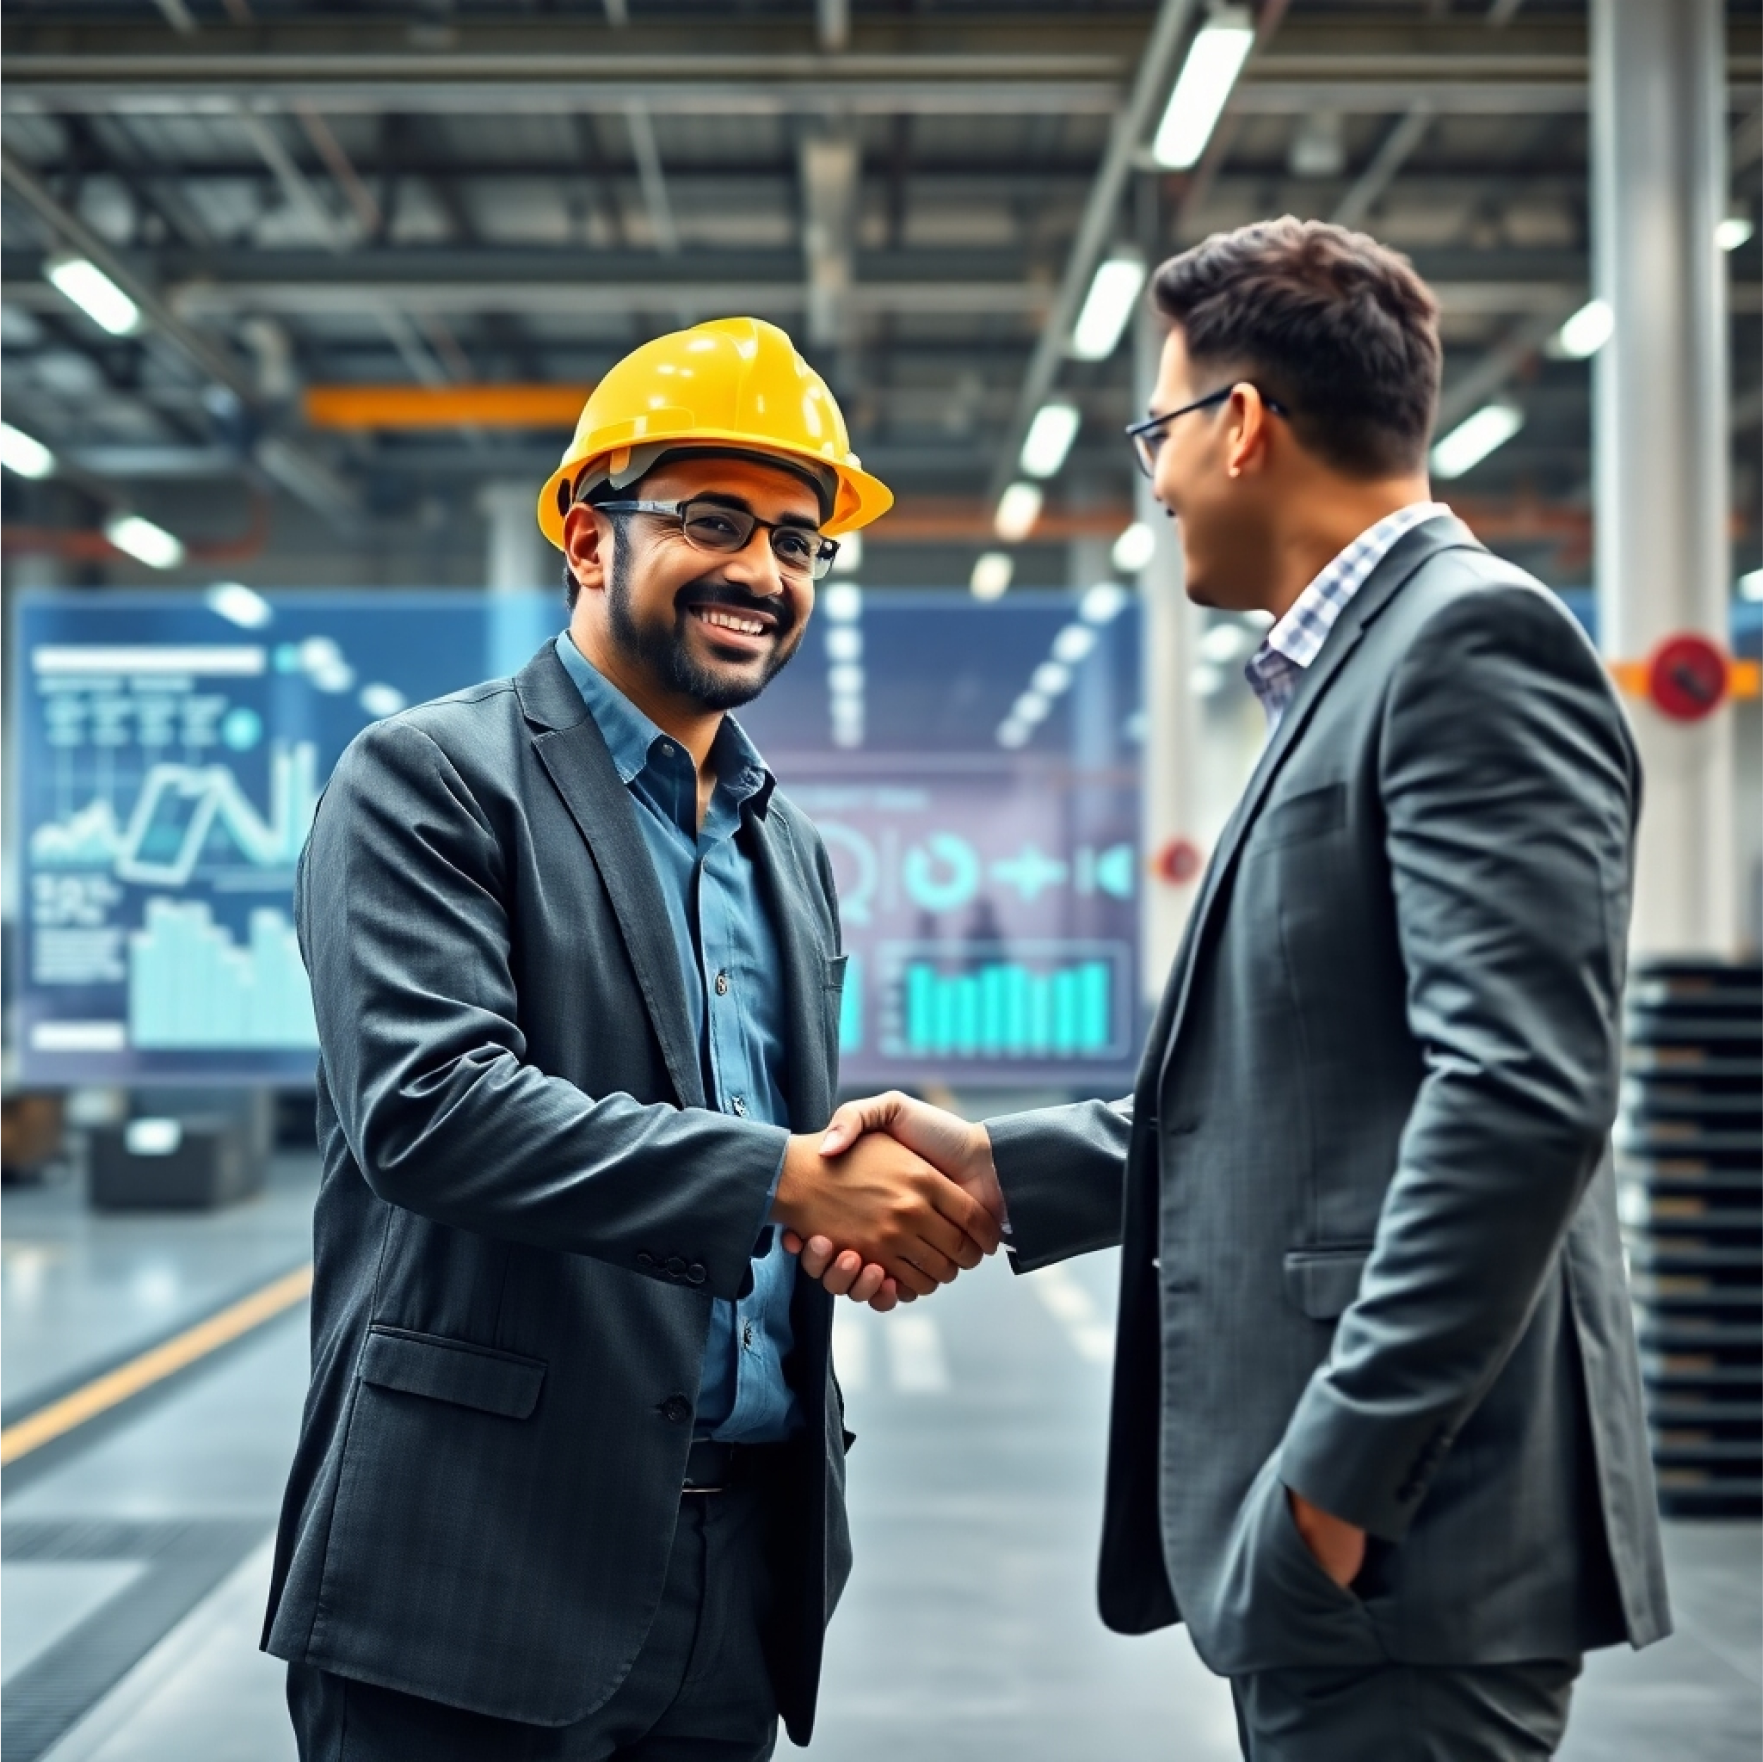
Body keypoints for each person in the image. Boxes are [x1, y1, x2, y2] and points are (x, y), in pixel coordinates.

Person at [792, 219, 1671, 1759]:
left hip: (1400, 1554)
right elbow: (1307, 1100)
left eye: (1159, 427)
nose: (1156, 474)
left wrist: (1331, 1494)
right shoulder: (1352, 668)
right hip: (1357, 1560)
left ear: (1242, 424)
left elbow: (1522, 1102)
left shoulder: (1465, 647)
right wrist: (1001, 1169)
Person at [262, 316, 1000, 1761]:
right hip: (477, 1559)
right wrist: (789, 1180)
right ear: (589, 541)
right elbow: (435, 1108)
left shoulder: (785, 847)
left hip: (738, 1573)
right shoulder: (426, 780)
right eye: (712, 520)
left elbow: (744, 1165)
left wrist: (844, 1227)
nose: (763, 573)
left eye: (800, 542)